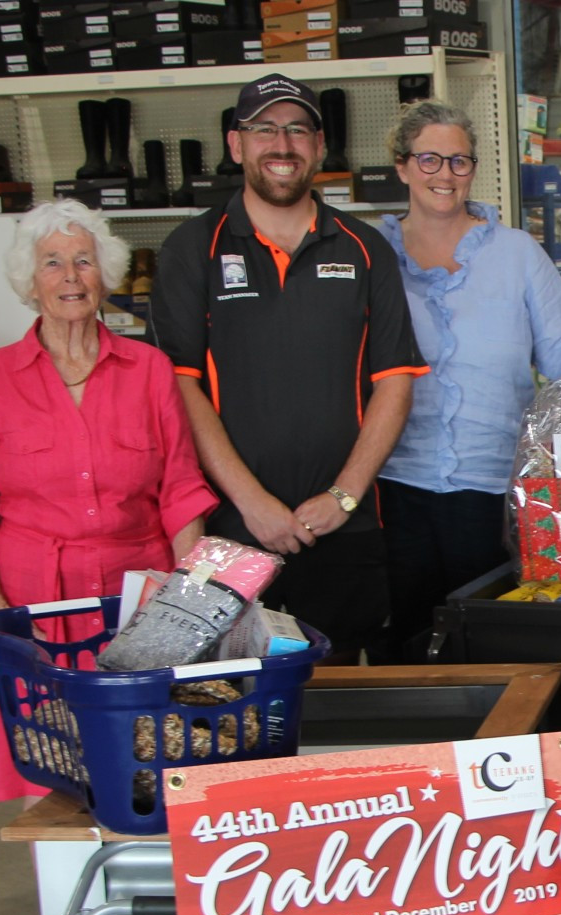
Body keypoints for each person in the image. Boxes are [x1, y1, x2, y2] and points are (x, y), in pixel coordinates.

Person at [0, 199, 218, 803]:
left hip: (135, 597)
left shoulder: (149, 370)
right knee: (48, 751)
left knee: (147, 753)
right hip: (33, 600)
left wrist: (187, 596)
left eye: (84, 261)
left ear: (105, 275)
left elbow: (180, 489)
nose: (70, 277)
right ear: (29, 282)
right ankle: (67, 887)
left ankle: (143, 877)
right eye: (52, 263)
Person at [151, 72, 427, 665]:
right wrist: (252, 503)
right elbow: (180, 387)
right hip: (230, 528)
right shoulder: (191, 248)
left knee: (338, 703)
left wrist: (344, 496)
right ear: (236, 144)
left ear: (319, 145)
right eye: (264, 129)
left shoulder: (363, 247)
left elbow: (395, 381)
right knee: (233, 699)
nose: (283, 144)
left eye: (298, 129)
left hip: (344, 530)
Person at [375, 101, 561, 659]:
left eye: (459, 161)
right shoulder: (370, 256)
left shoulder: (516, 254)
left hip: (493, 490)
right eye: (428, 160)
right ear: (401, 166)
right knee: (403, 647)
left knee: (490, 647)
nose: (444, 175)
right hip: (390, 489)